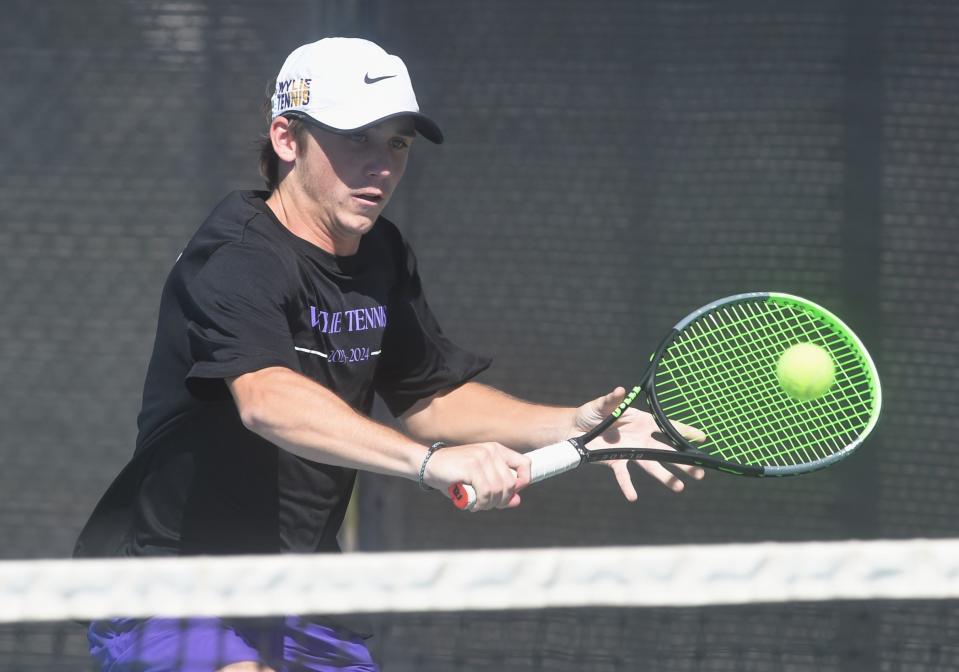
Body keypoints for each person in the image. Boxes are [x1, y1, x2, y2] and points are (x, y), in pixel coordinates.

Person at [73, 37, 704, 672]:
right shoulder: (236, 258)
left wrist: (580, 425)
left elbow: (428, 396)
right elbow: (266, 400)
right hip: (176, 587)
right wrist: (428, 464)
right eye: (357, 140)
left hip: (301, 594)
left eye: (396, 144)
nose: (381, 167)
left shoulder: (380, 253)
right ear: (287, 139)